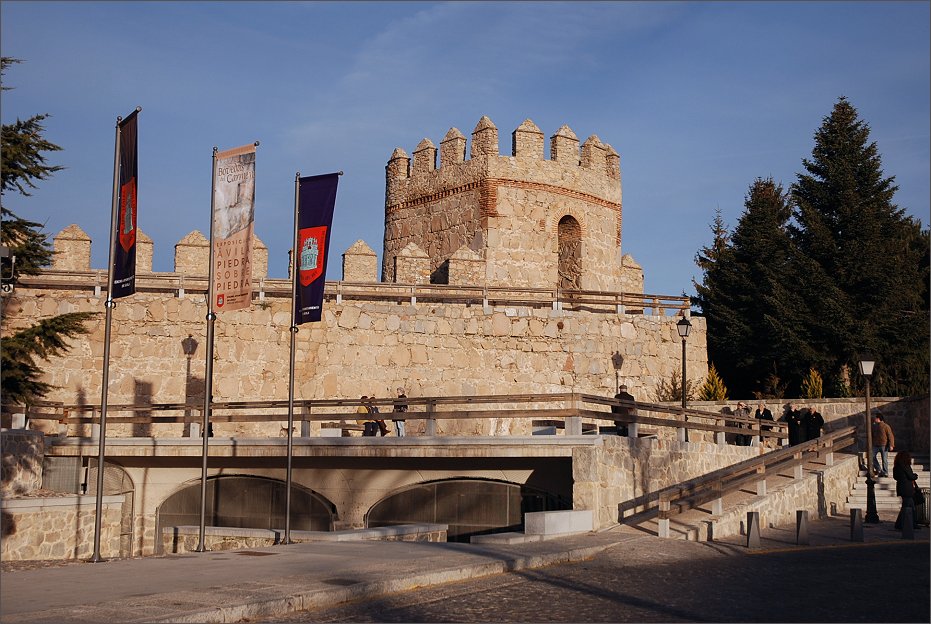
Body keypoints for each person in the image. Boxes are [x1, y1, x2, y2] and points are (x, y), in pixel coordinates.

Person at [893, 451, 919, 531]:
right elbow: (911, 476)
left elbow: (895, 477)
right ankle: (908, 524)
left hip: (901, 488)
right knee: (908, 507)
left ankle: (901, 524)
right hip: (907, 488)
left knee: (907, 506)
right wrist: (915, 475)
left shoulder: (896, 466)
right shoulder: (905, 466)